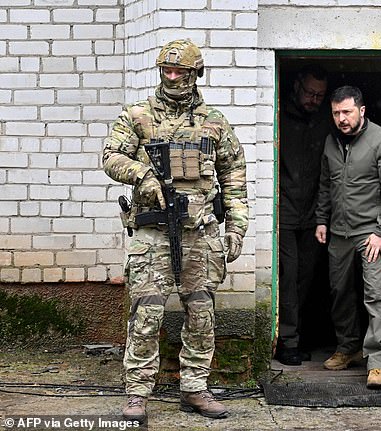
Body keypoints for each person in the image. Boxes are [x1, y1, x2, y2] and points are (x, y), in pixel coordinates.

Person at [102, 39, 248, 422]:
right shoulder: (137, 114)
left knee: (201, 313)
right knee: (146, 314)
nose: (171, 77)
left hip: (201, 233)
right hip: (153, 235)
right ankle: (137, 394)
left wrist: (236, 229)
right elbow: (110, 156)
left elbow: (234, 175)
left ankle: (195, 389)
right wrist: (142, 174)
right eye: (166, 70)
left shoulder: (214, 121)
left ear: (194, 73)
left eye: (179, 71)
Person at [314, 86, 381, 389]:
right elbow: (326, 184)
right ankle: (348, 347)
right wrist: (321, 220)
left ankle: (378, 362)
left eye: (347, 112)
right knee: (339, 291)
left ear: (362, 111)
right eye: (337, 113)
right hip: (339, 232)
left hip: (372, 233)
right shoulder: (331, 141)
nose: (341, 119)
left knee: (376, 295)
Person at [277, 65, 330, 365]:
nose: (313, 99)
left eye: (319, 95)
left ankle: (300, 337)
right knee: (288, 277)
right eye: (310, 93)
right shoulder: (279, 114)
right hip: (285, 213)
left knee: (307, 279)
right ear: (297, 85)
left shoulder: (324, 121)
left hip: (314, 215)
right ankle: (287, 341)